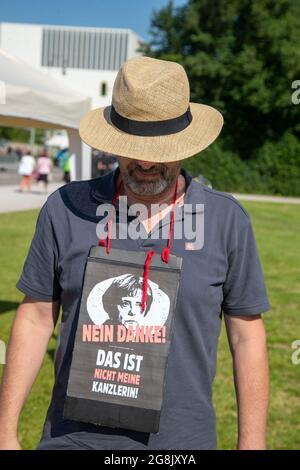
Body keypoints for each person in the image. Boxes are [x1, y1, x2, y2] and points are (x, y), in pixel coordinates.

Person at [0, 56, 270, 450]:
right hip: (71, 440)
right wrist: (5, 431)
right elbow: (36, 316)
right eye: (132, 148)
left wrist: (253, 442)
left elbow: (247, 335)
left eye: (160, 150)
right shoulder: (66, 208)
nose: (145, 162)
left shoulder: (226, 220)